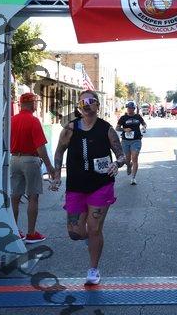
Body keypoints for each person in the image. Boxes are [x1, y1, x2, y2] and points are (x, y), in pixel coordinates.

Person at [52, 90, 126, 285]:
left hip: (100, 185)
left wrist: (116, 164)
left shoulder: (106, 129)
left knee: (94, 228)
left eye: (91, 101)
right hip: (76, 186)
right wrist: (57, 175)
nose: (86, 104)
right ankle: (93, 239)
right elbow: (59, 152)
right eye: (83, 101)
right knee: (74, 232)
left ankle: (93, 269)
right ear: (79, 106)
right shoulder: (70, 128)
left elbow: (121, 155)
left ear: (98, 105)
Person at [10, 92, 56, 244]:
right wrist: (49, 166)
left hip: (14, 158)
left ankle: (14, 231)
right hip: (30, 159)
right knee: (33, 196)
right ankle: (31, 233)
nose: (36, 105)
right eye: (36, 102)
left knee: (15, 197)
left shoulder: (12, 120)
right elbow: (40, 147)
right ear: (31, 103)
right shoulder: (33, 121)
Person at [116, 101, 147, 185]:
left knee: (135, 158)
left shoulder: (138, 117)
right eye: (128, 108)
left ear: (134, 108)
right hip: (125, 141)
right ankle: (129, 165)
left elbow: (144, 124)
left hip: (136, 140)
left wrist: (144, 127)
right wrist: (124, 129)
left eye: (131, 108)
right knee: (127, 159)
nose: (129, 109)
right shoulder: (123, 118)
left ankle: (133, 178)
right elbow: (117, 128)